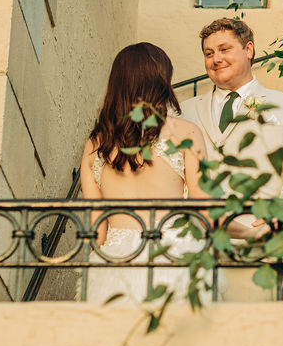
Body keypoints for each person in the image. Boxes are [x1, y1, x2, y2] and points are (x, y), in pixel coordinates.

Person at [79, 42, 210, 304]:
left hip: (114, 263)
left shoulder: (95, 143)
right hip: (171, 257)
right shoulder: (185, 133)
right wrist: (253, 232)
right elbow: (206, 208)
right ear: (160, 82)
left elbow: (98, 230)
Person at [179, 18, 283, 240]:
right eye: (208, 53)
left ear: (249, 49)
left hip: (260, 238)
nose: (216, 59)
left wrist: (280, 218)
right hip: (194, 242)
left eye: (225, 49)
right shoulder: (183, 112)